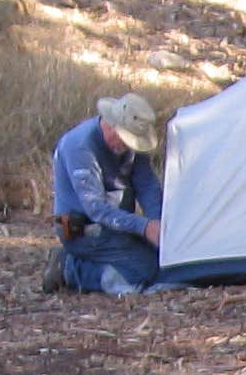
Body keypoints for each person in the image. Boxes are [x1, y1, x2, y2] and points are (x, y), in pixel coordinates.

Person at [51, 93, 165, 295]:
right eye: (126, 139)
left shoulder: (131, 146)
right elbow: (96, 209)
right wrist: (144, 227)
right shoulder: (80, 147)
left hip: (118, 226)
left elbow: (147, 185)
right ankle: (70, 268)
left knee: (162, 260)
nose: (128, 146)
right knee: (143, 272)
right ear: (112, 125)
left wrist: (160, 225)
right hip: (84, 229)